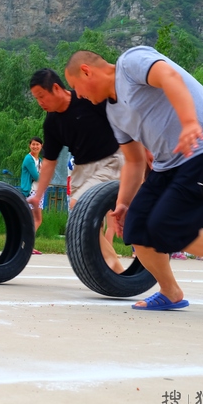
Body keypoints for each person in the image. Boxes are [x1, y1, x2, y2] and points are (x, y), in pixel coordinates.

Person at [64, 47, 203, 310]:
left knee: (167, 225)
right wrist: (123, 203)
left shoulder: (130, 63)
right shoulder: (113, 113)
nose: (78, 95)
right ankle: (171, 292)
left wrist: (190, 122)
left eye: (76, 86)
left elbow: (169, 76)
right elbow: (134, 160)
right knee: (137, 228)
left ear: (86, 71)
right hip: (168, 164)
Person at [28, 68, 126, 271]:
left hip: (111, 159)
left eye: (41, 96)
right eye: (36, 99)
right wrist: (38, 196)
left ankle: (114, 266)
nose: (40, 103)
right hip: (83, 169)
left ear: (56, 88)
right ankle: (107, 265)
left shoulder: (86, 99)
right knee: (81, 219)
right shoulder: (52, 122)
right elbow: (49, 161)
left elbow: (122, 119)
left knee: (79, 205)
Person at [20, 137, 44, 255]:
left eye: (37, 144)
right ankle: (27, 244)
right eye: (33, 144)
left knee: (33, 220)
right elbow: (38, 176)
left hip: (38, 191)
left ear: (41, 146)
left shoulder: (38, 160)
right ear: (30, 146)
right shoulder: (29, 159)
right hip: (31, 192)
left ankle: (26, 244)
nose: (35, 146)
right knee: (36, 219)